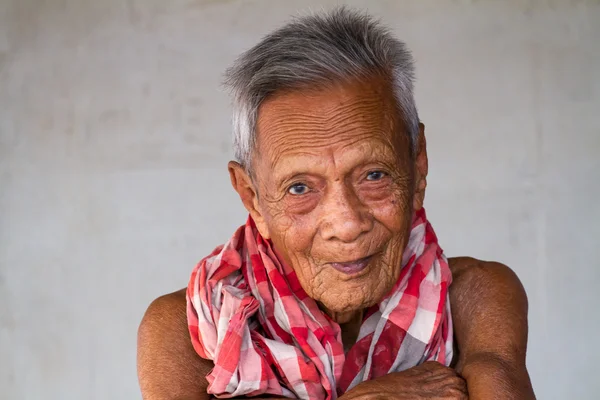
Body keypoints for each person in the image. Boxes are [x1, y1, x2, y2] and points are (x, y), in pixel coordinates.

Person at [137, 7, 535, 400]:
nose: (346, 224)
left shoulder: (473, 296)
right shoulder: (188, 327)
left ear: (417, 166)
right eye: (299, 188)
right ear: (252, 198)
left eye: (374, 175)